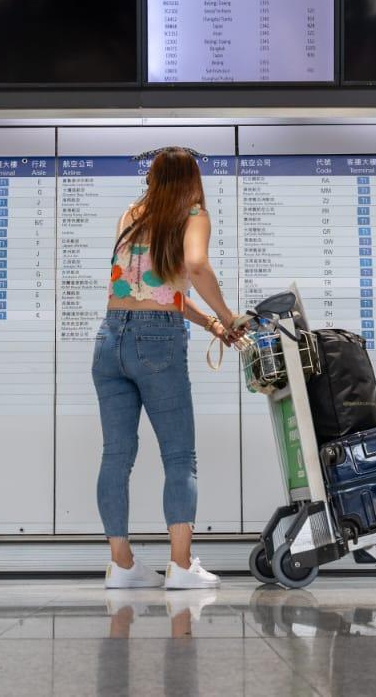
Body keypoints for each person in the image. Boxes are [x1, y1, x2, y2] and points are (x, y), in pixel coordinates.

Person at [96, 146, 241, 590]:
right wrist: (230, 316)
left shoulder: (131, 215)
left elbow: (159, 292)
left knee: (116, 456)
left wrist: (212, 325)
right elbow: (194, 267)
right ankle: (180, 566)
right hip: (156, 342)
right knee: (180, 456)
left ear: (153, 180)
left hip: (110, 338)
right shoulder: (192, 215)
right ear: (192, 179)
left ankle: (121, 566)